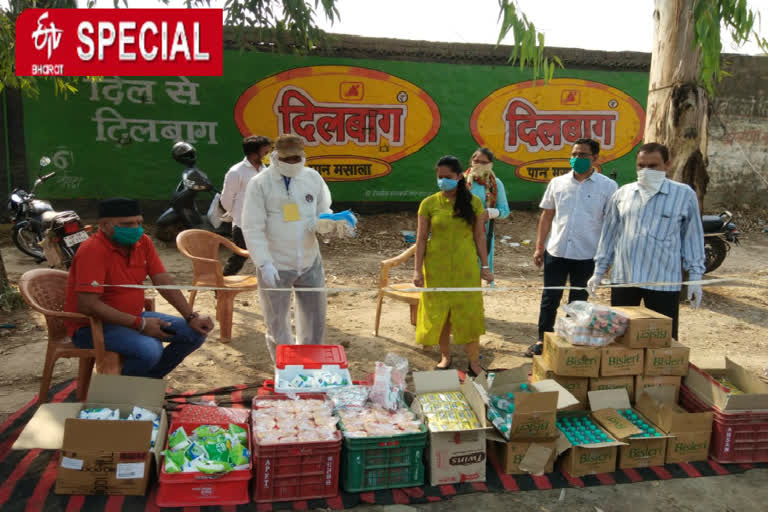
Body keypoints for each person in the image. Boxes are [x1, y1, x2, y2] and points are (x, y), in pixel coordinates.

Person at [64, 198, 214, 378]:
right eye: (127, 224)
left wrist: (190, 317)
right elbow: (87, 305)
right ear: (104, 225)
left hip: (134, 318)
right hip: (91, 327)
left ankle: (146, 384)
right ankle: (126, 393)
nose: (135, 228)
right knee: (149, 350)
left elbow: (162, 280)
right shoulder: (92, 250)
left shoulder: (143, 242)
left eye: (139, 222)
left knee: (194, 333)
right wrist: (140, 324)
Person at [588, 142, 705, 340]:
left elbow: (692, 237)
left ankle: (661, 372)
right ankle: (624, 371)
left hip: (663, 281)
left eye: (653, 166)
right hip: (625, 279)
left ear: (667, 165)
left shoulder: (684, 195)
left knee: (662, 339)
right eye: (641, 166)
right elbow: (609, 235)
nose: (646, 171)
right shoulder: (622, 194)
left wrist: (695, 276)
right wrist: (598, 271)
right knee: (620, 337)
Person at [241, 134, 332, 362]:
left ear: (303, 155)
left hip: (310, 260)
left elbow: (324, 210)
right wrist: (264, 263)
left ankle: (310, 364)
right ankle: (284, 366)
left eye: (297, 158)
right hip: (275, 263)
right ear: (276, 157)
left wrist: (330, 224)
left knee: (315, 318)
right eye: (287, 159)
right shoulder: (260, 183)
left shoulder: (312, 178)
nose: (293, 163)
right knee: (277, 321)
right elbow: (252, 227)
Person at [526, 138, 618, 357]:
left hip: (587, 255)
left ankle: (567, 340)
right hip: (556, 251)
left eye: (583, 155)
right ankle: (543, 339)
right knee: (549, 299)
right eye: (574, 154)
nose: (577, 159)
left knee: (578, 303)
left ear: (595, 158)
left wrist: (606, 258)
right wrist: (539, 247)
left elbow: (610, 224)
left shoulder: (608, 186)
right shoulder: (557, 183)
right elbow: (547, 215)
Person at [413, 155, 494, 377]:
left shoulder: (474, 203)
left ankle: (474, 362)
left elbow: (479, 237)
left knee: (469, 314)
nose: (442, 181)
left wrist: (485, 266)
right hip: (436, 269)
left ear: (459, 177)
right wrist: (417, 270)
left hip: (465, 269)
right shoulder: (428, 204)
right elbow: (421, 239)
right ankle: (445, 356)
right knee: (441, 314)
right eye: (439, 177)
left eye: (447, 177)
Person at [220, 135, 273, 276]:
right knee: (239, 257)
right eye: (265, 151)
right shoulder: (236, 172)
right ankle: (220, 287)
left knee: (269, 256)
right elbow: (226, 199)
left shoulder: (266, 170)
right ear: (254, 152)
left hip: (263, 223)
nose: (267, 154)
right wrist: (238, 214)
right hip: (242, 225)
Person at [465, 147, 510, 273]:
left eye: (483, 162)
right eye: (476, 161)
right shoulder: (461, 181)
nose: (479, 164)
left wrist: (488, 213)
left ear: (490, 164)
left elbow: (504, 211)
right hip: (460, 230)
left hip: (483, 233)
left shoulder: (495, 184)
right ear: (471, 162)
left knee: (479, 269)